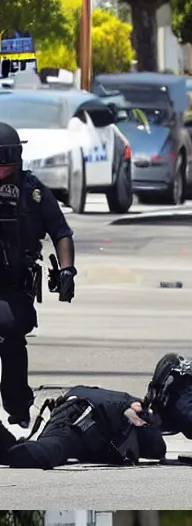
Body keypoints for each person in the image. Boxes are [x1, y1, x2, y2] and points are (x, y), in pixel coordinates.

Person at [0, 122, 76, 428]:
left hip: (15, 287)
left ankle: (18, 403)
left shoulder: (33, 192)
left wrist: (68, 270)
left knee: (10, 334)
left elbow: (61, 232)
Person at [2, 386, 166, 468]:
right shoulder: (134, 410)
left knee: (55, 443)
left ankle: (12, 450)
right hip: (81, 414)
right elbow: (156, 448)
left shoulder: (130, 405)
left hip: (75, 405)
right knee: (54, 445)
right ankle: (13, 451)